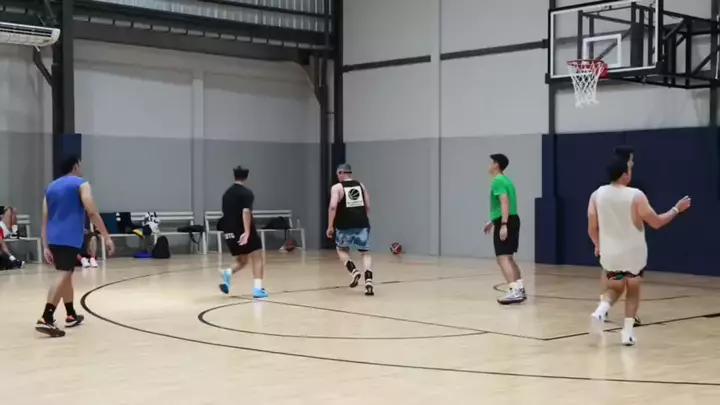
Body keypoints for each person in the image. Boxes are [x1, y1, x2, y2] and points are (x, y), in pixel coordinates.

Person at [587, 158, 690, 346]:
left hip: (610, 254)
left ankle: (600, 311)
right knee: (633, 289)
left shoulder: (596, 195)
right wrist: (676, 209)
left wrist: (597, 245)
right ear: (624, 175)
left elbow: (592, 228)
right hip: (633, 253)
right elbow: (657, 222)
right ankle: (627, 334)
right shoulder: (636, 195)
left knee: (615, 287)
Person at [36, 156, 115, 338]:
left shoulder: (50, 187)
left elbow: (45, 218)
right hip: (69, 237)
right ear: (75, 166)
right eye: (80, 165)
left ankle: (71, 314)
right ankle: (46, 317)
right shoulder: (81, 183)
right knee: (63, 274)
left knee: (67, 275)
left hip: (54, 238)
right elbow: (92, 211)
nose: (82, 168)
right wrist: (106, 236)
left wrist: (45, 245)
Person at [602, 146, 641, 326]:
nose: (633, 162)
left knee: (608, 271)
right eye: (631, 160)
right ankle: (629, 316)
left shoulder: (609, 187)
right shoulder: (625, 189)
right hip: (621, 236)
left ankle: (604, 308)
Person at [218, 166, 267, 299]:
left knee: (242, 260)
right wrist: (247, 232)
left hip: (228, 231)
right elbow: (246, 211)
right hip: (242, 229)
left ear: (234, 176)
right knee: (257, 256)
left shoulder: (226, 194)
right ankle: (258, 289)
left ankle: (228, 272)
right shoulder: (246, 193)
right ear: (246, 177)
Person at [326, 163, 374, 296]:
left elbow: (333, 207)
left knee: (341, 249)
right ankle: (369, 281)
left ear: (341, 173)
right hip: (362, 223)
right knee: (365, 252)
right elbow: (368, 206)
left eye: (338, 174)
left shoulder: (337, 187)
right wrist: (364, 220)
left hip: (344, 224)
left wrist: (330, 226)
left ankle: (354, 271)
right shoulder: (361, 185)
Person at [483, 154, 524, 305]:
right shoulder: (506, 180)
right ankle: (519, 288)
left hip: (506, 221)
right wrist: (493, 221)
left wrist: (503, 224)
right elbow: (506, 204)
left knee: (502, 258)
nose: (489, 165)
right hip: (511, 218)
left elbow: (504, 201)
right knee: (509, 257)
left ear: (496, 165)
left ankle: (513, 290)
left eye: (492, 162)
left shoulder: (498, 181)